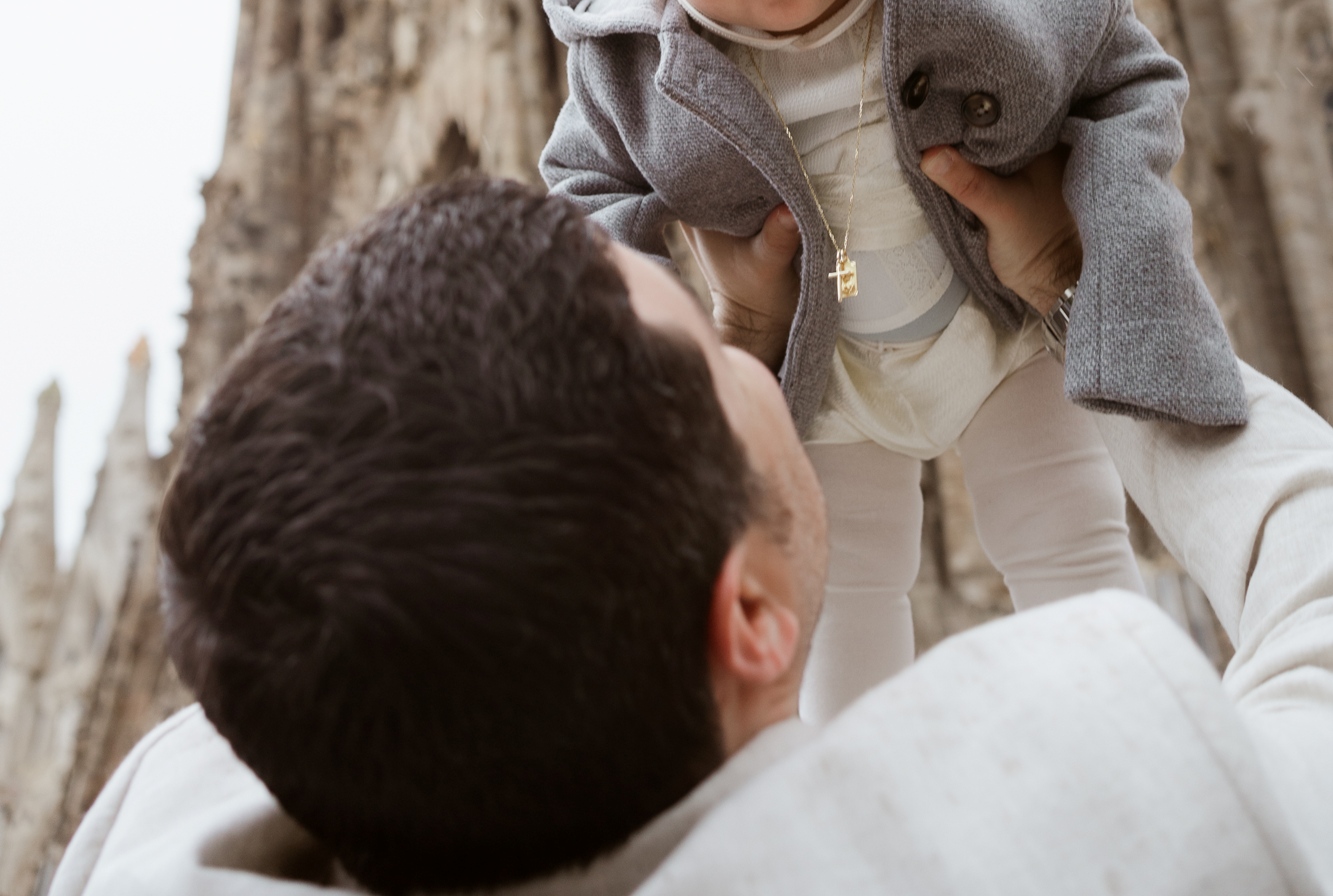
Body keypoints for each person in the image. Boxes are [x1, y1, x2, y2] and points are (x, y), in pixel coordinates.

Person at [51, 165, 1333, 896]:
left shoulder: (187, 821)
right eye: (706, 345)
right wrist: (1074, 280)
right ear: (755, 620)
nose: (744, 345)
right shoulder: (1073, 842)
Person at [540, 0, 1246, 711]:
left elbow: (1119, 61)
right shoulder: (631, 65)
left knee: (1066, 531)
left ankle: (1121, 731)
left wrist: (1116, 260)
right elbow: (583, 202)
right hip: (822, 377)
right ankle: (857, 807)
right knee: (836, 587)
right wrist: (698, 346)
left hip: (997, 324)